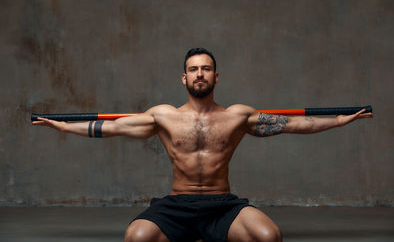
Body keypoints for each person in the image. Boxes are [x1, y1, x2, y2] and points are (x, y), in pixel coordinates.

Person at [32, 48, 373, 242]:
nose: (199, 74)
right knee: (135, 238)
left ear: (216, 77)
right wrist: (64, 125)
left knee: (269, 238)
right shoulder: (163, 116)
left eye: (206, 69)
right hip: (178, 205)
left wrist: (340, 121)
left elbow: (297, 124)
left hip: (222, 205)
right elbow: (110, 128)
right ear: (184, 77)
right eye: (193, 69)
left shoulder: (238, 116)